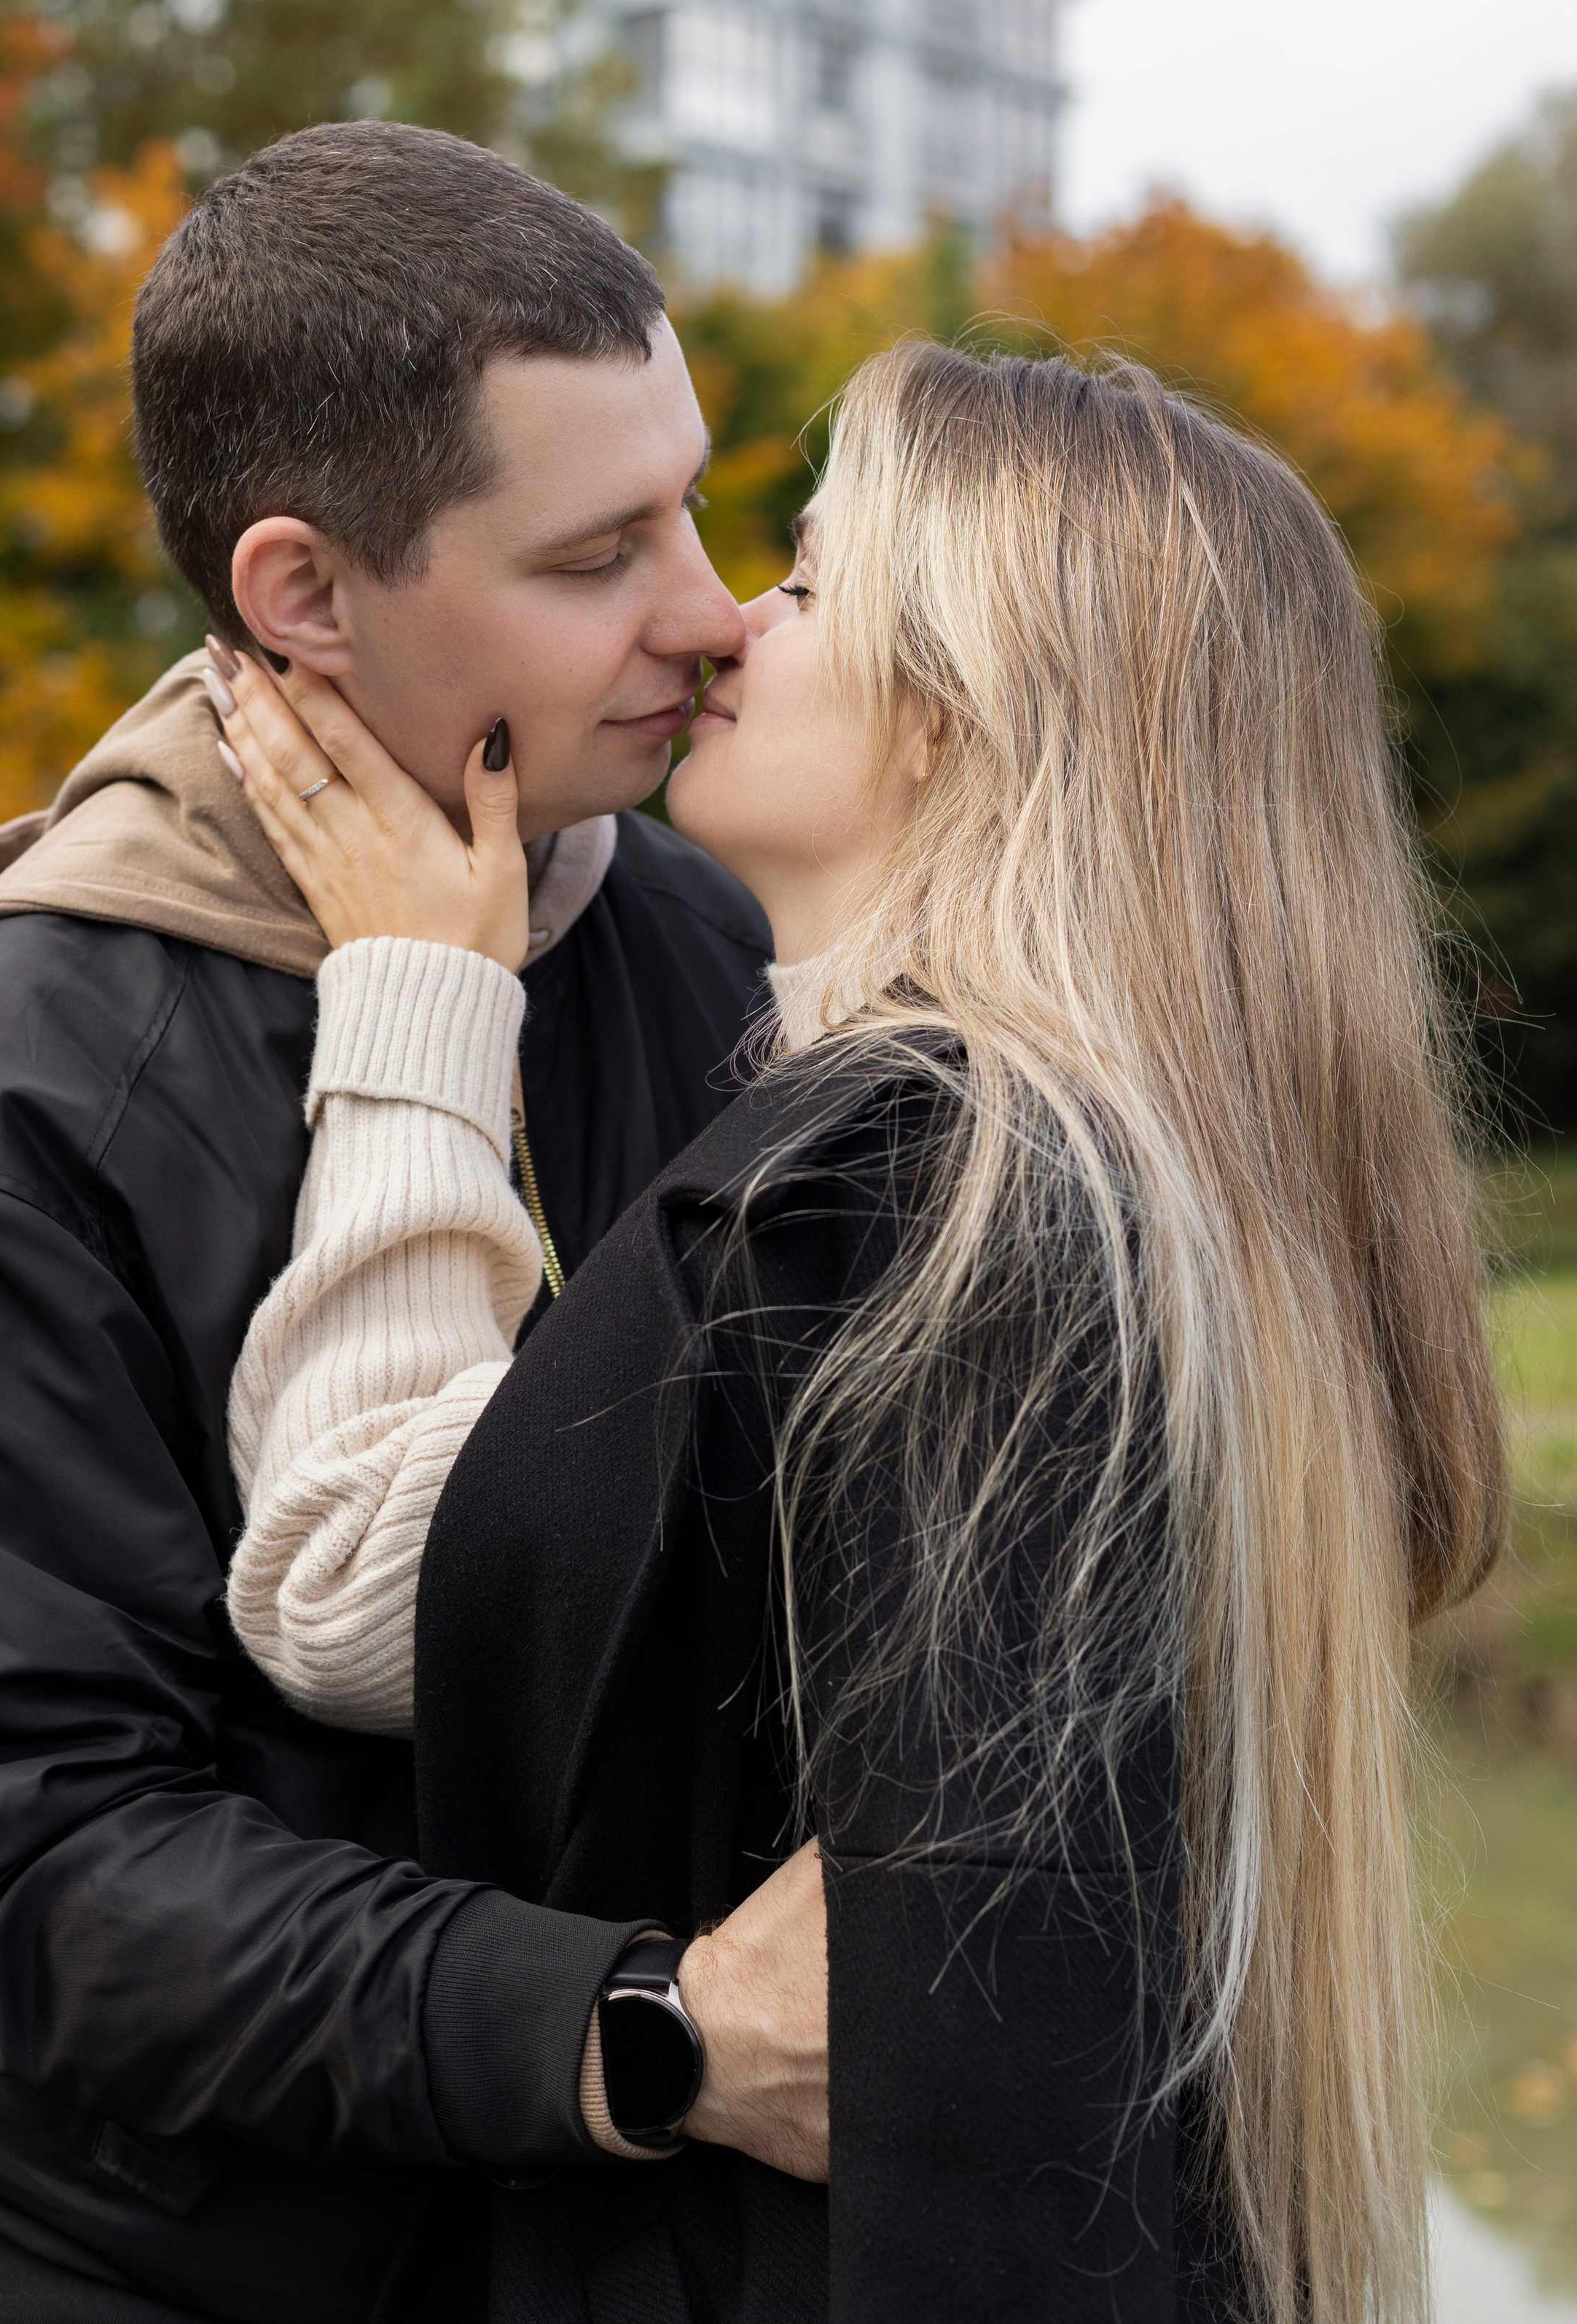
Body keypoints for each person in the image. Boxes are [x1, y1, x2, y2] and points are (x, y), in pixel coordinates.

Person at [210, 342, 1510, 2323]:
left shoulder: (908, 1189)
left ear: (957, 710)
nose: (727, 622)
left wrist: (414, 986)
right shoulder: (1160, 1187)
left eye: (810, 582)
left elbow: (342, 1579)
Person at [0, 122, 828, 2324]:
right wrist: (646, 2036)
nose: (709, 611)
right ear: (303, 597)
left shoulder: (719, 944)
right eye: (596, 554)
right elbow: (27, 1880)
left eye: (693, 507)